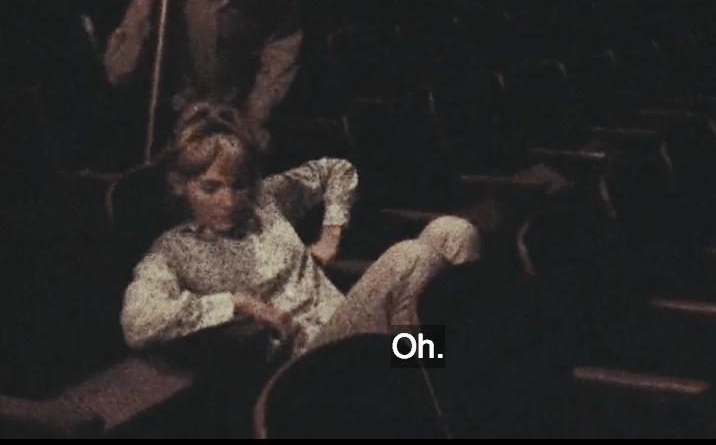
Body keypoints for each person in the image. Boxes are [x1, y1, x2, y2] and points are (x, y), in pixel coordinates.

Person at [119, 108, 481, 368]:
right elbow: (139, 323)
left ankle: (433, 363)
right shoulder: (172, 250)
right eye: (210, 188)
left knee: (455, 231)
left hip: (353, 322)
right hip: (313, 362)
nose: (228, 202)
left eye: (239, 186)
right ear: (179, 185)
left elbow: (337, 170)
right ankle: (433, 369)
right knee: (412, 257)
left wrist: (330, 234)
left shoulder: (264, 201)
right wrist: (238, 303)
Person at [103, 0, 303, 153]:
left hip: (232, 130)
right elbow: (118, 73)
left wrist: (253, 117)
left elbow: (284, 44)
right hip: (167, 132)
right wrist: (143, 0)